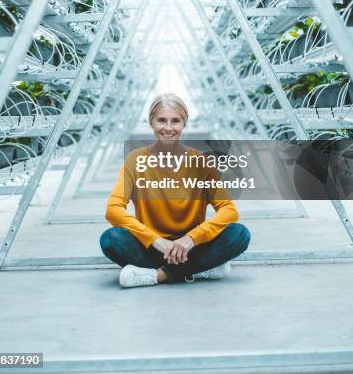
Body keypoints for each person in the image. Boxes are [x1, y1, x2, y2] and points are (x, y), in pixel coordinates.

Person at [99, 93, 251, 288]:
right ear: (151, 122)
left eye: (175, 121)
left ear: (184, 123)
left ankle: (158, 275)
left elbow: (229, 210)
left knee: (239, 234)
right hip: (152, 247)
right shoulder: (135, 160)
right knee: (111, 239)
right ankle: (200, 269)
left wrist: (191, 238)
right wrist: (154, 239)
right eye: (162, 120)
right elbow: (113, 210)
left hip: (191, 248)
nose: (168, 128)